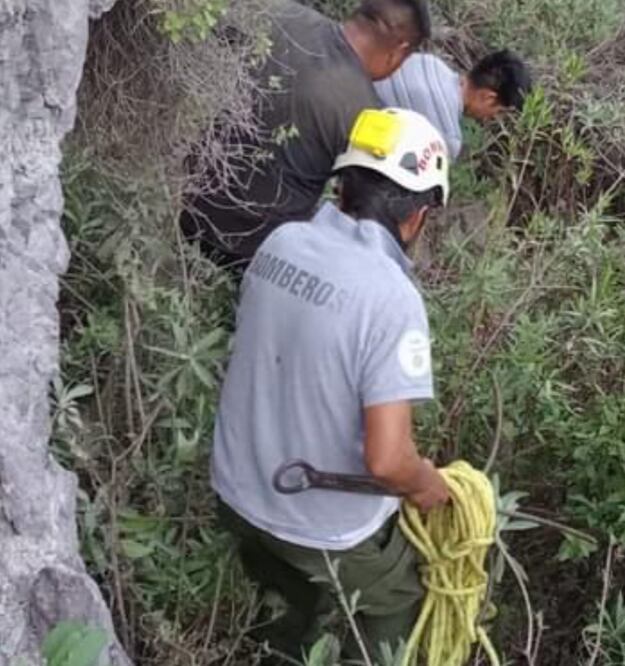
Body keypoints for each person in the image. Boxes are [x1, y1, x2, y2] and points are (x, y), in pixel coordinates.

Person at [210, 107, 452, 662]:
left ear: (342, 186)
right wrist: (428, 487)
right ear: (417, 215)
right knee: (396, 600)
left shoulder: (282, 242)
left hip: (235, 492)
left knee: (286, 605)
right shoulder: (390, 298)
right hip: (318, 526)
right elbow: (389, 461)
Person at [180, 0, 431, 270]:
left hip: (185, 201)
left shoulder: (282, 14)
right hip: (252, 255)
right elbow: (361, 211)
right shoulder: (367, 116)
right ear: (399, 50)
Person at [374, 49, 532, 160]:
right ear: (488, 97)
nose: (492, 118)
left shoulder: (430, 63)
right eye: (498, 111)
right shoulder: (447, 138)